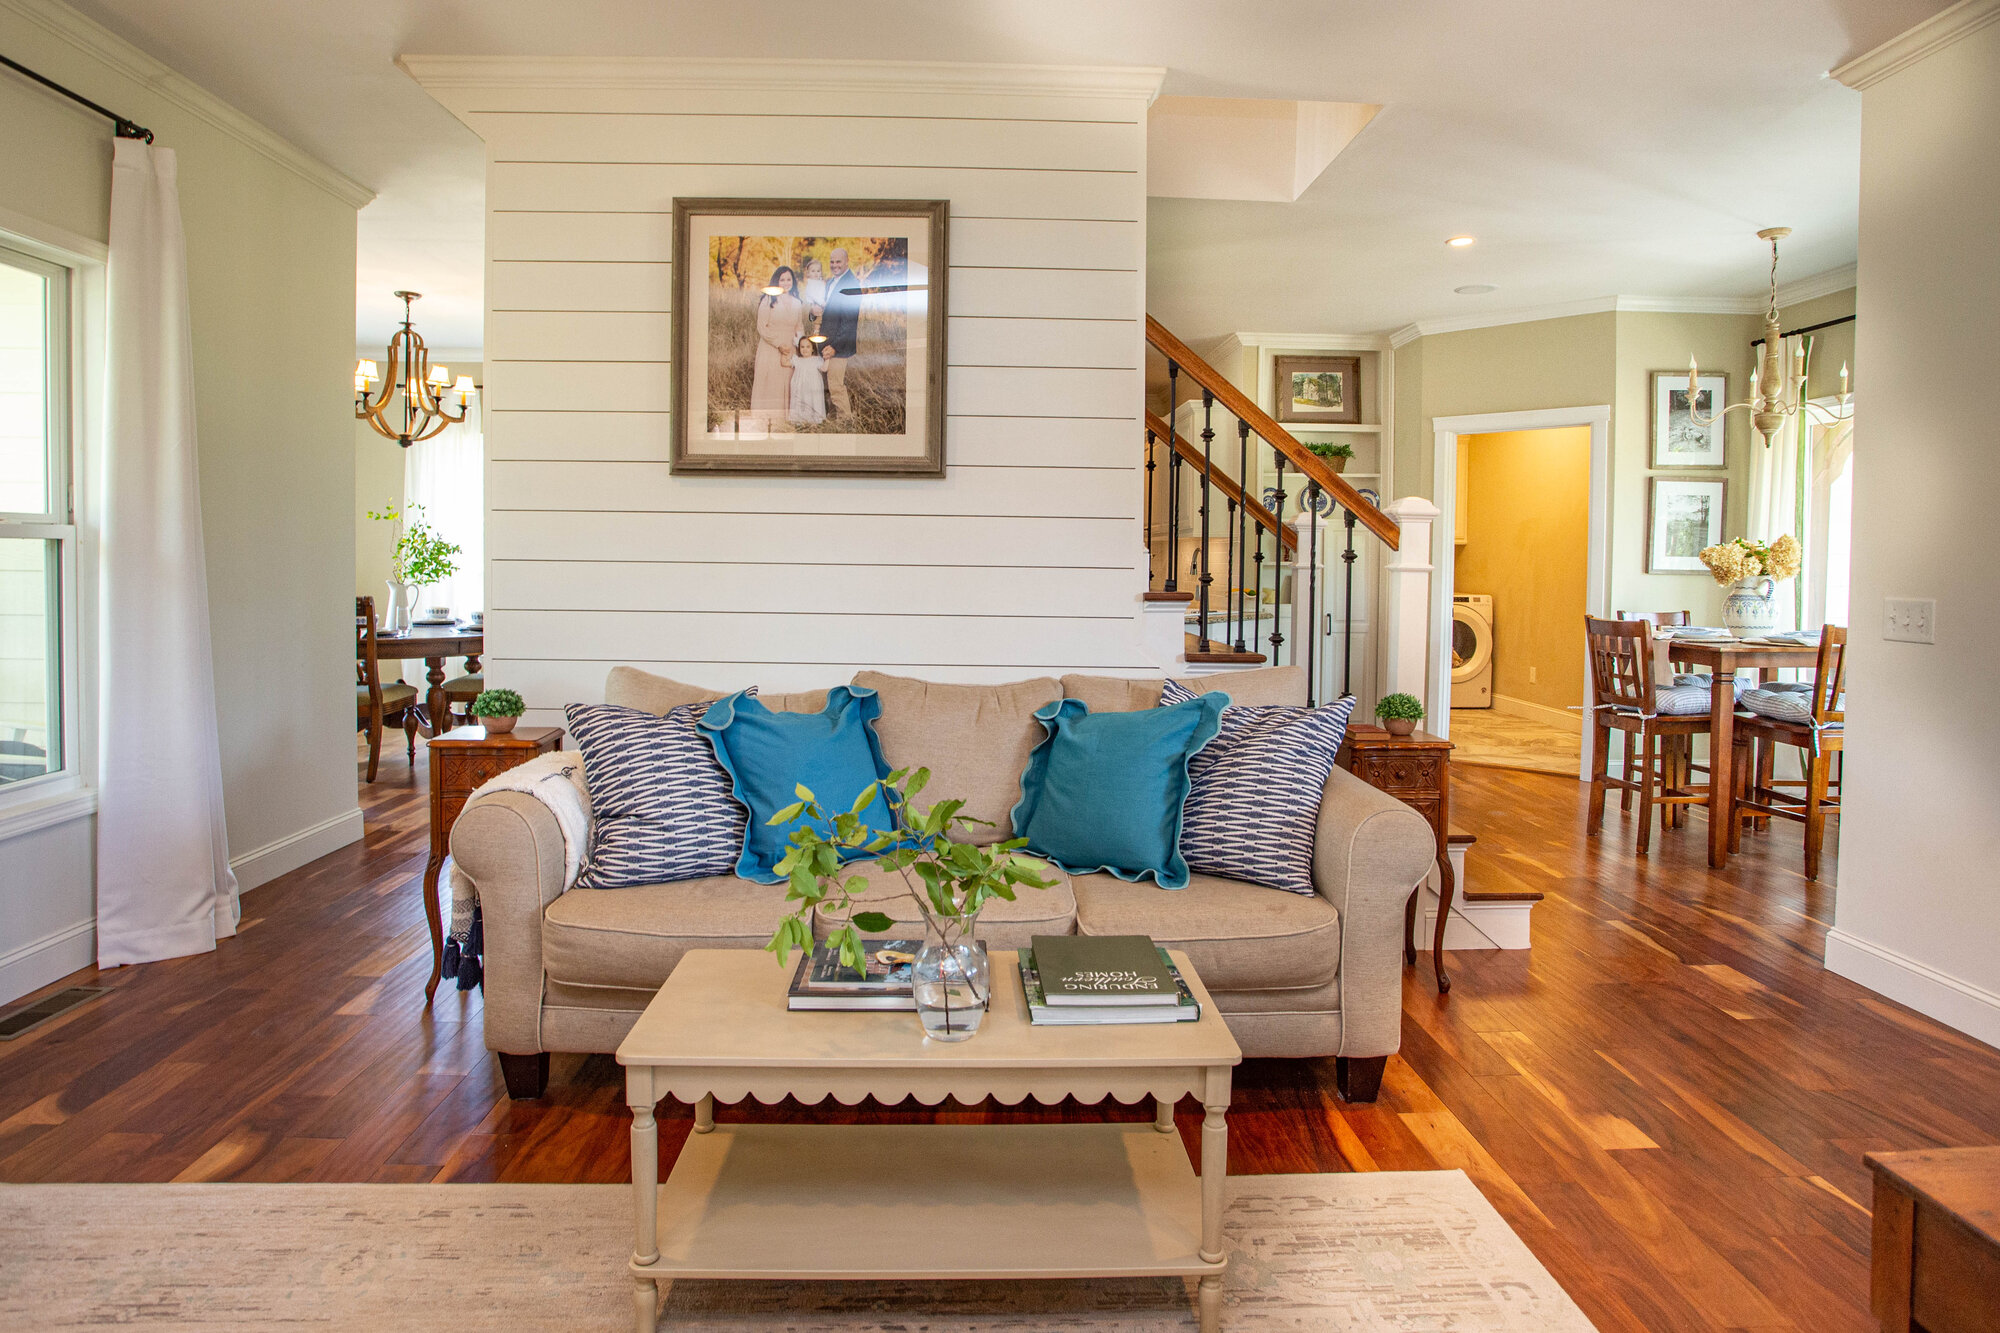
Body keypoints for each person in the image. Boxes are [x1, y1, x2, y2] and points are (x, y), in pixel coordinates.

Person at [748, 266, 802, 426]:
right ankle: (766, 422)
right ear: (776, 282)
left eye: (789, 279)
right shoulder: (768, 300)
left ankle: (784, 422)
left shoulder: (797, 302)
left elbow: (799, 326)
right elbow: (762, 327)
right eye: (782, 280)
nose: (786, 283)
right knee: (771, 383)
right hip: (771, 347)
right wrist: (778, 344)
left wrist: (800, 345)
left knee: (787, 382)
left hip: (790, 348)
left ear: (793, 281)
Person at [818, 247, 864, 420]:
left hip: (839, 346)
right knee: (826, 386)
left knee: (836, 386)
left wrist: (834, 347)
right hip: (824, 343)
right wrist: (813, 314)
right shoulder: (830, 282)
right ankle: (832, 419)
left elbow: (849, 322)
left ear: (846, 262)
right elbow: (824, 312)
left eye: (838, 261)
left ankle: (846, 422)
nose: (834, 265)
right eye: (832, 262)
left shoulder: (852, 285)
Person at [787, 336, 828, 427]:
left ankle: (814, 422)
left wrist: (828, 358)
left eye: (808, 347)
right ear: (799, 348)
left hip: (812, 386)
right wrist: (785, 353)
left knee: (813, 401)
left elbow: (824, 368)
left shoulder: (816, 359)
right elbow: (785, 363)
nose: (805, 349)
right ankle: (800, 422)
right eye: (802, 347)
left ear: (813, 348)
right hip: (800, 387)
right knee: (800, 401)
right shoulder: (797, 360)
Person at [799, 256, 828, 336]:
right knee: (818, 317)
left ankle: (820, 331)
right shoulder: (811, 283)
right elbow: (813, 295)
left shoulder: (821, 282)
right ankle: (816, 331)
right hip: (815, 303)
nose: (816, 273)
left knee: (822, 318)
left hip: (821, 303)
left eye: (818, 271)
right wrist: (822, 302)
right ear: (808, 273)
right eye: (813, 271)